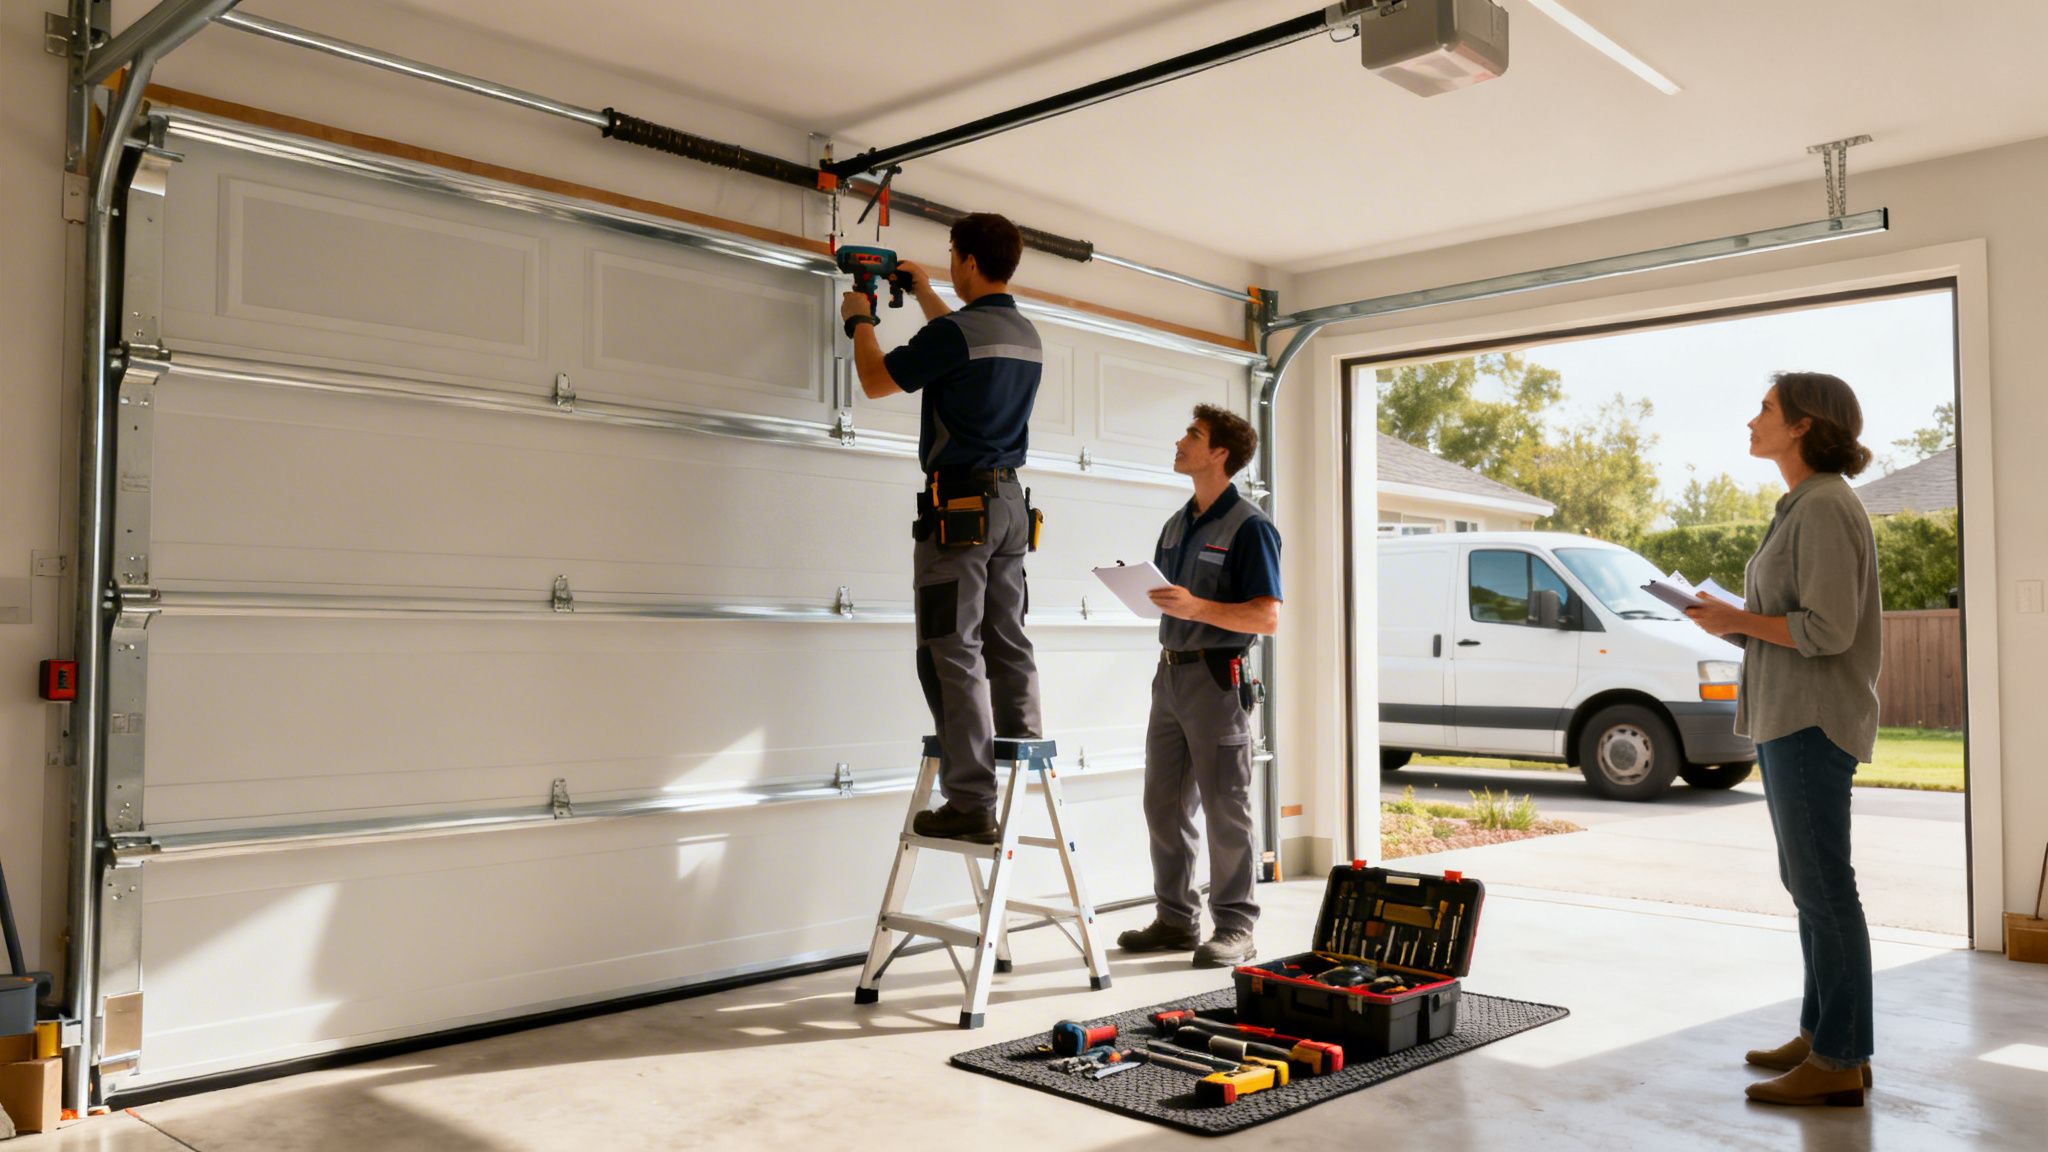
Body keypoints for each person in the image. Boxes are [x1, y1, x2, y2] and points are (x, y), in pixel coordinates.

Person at [1681, 371, 1882, 1107]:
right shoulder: (1801, 504)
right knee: (1810, 888)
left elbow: (1827, 631)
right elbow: (1796, 620)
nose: (1751, 419)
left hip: (1811, 719)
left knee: (1826, 890)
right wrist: (1731, 616)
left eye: (1765, 409)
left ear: (1803, 424)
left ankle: (1840, 1060)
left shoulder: (1825, 505)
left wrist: (1736, 621)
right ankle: (1824, 1033)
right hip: (1786, 716)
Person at [841, 214, 1042, 845]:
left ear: (972, 263)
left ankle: (971, 801)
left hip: (958, 512)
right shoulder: (1021, 332)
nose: (951, 265)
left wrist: (860, 319)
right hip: (1010, 506)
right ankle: (1021, 758)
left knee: (950, 648)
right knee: (1005, 636)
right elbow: (958, 343)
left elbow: (876, 381)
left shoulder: (960, 333)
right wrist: (926, 290)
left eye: (954, 256)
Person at [1117, 405, 1282, 968]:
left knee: (1225, 807)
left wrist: (1197, 607)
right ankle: (1176, 919)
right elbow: (1177, 601)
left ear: (1220, 455)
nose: (1181, 440)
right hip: (1169, 676)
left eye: (1193, 435)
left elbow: (1266, 616)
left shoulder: (1251, 527)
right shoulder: (1175, 524)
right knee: (1162, 805)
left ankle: (1235, 927)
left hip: (1217, 679)